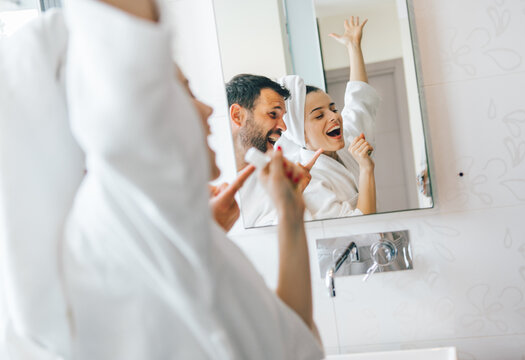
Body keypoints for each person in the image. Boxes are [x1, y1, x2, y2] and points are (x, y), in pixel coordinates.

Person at [59, 1, 323, 360]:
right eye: (185, 92)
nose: (208, 108)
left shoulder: (201, 245)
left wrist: (291, 216)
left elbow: (292, 345)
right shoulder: (118, 221)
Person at [277, 16, 381, 220]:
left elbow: (359, 100)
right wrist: (366, 169)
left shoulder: (348, 141)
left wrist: (353, 47)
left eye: (333, 108)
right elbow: (358, 226)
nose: (334, 116)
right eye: (319, 115)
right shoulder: (308, 180)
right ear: (300, 133)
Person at [226, 74, 322, 227]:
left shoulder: (275, 181)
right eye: (273, 114)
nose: (283, 127)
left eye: (283, 117)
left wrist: (292, 195)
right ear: (238, 115)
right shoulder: (201, 176)